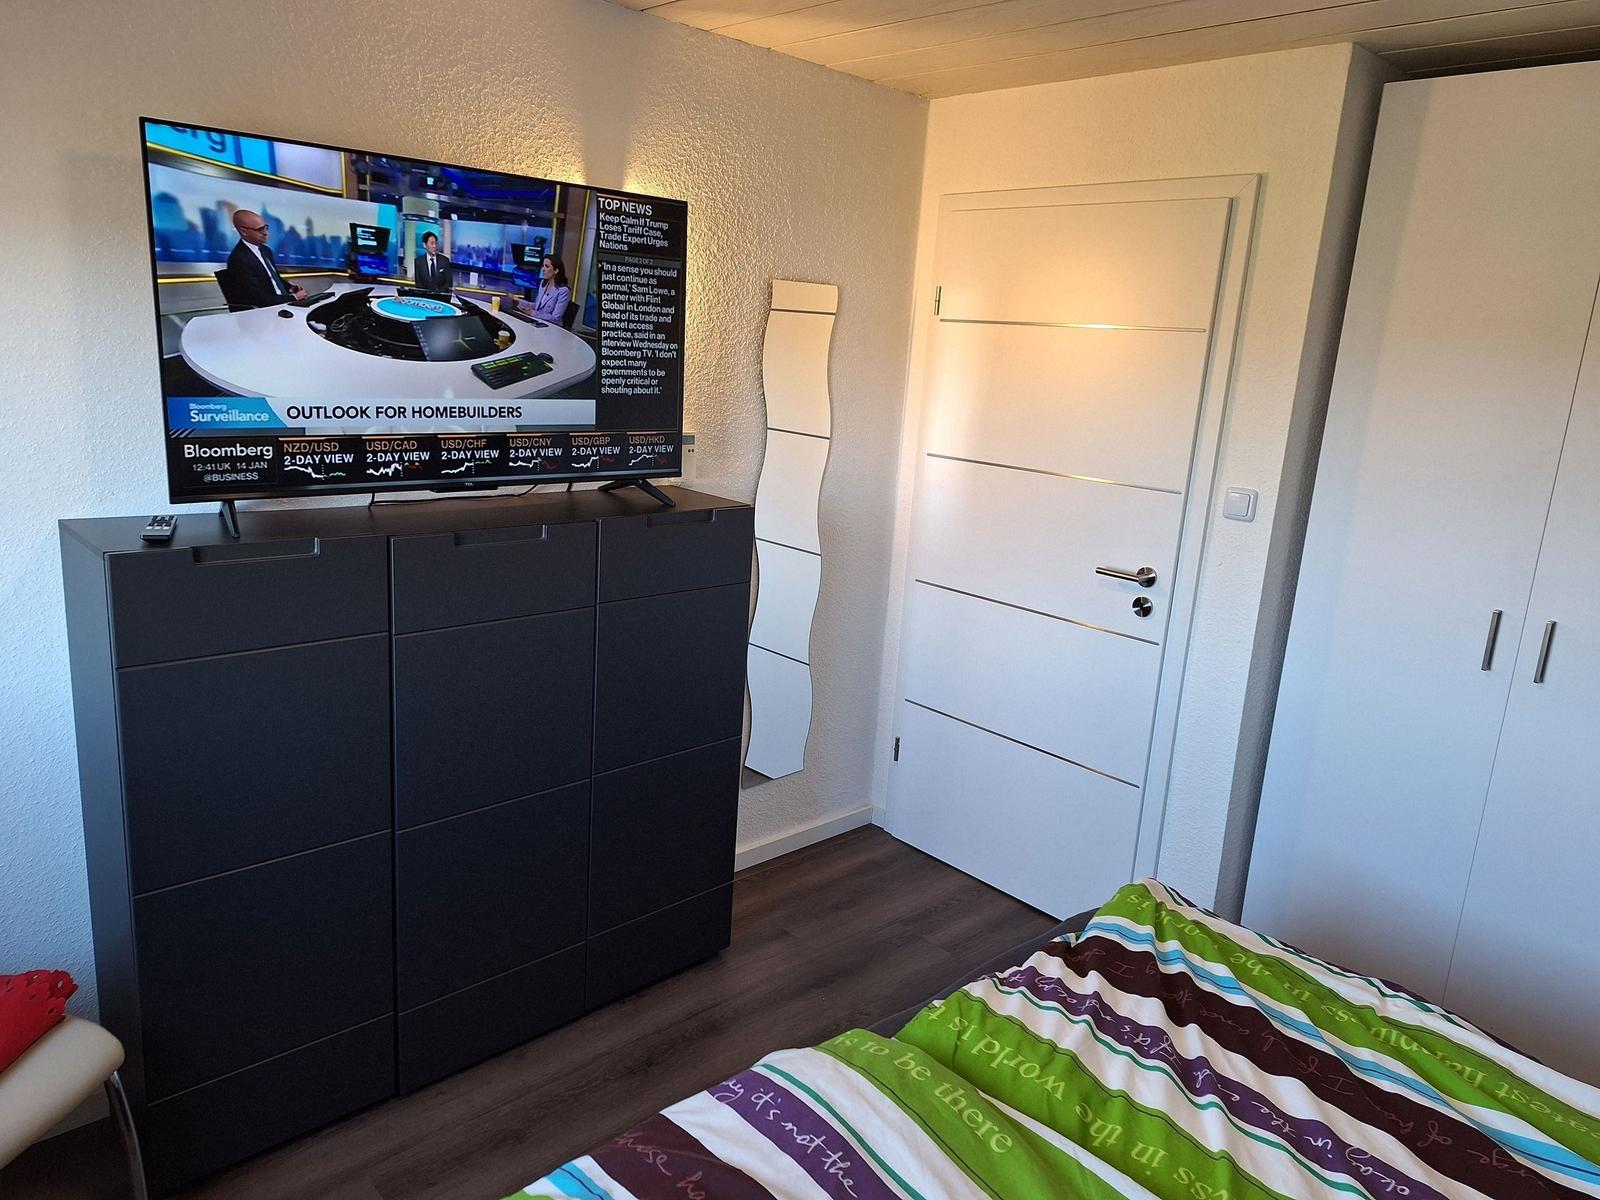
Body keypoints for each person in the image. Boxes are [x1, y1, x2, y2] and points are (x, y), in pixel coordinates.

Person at [225, 209, 307, 307]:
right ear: (244, 231)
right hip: (264, 310)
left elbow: (274, 278)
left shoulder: (266, 250)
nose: (265, 233)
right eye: (260, 229)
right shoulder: (238, 259)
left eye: (266, 227)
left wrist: (291, 288)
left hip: (282, 302)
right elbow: (258, 298)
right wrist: (294, 297)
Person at [522, 254, 571, 324]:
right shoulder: (543, 284)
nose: (543, 270)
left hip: (552, 327)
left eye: (547, 266)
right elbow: (537, 306)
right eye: (543, 266)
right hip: (537, 322)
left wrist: (532, 313)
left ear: (556, 270)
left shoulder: (563, 291)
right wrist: (519, 302)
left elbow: (555, 318)